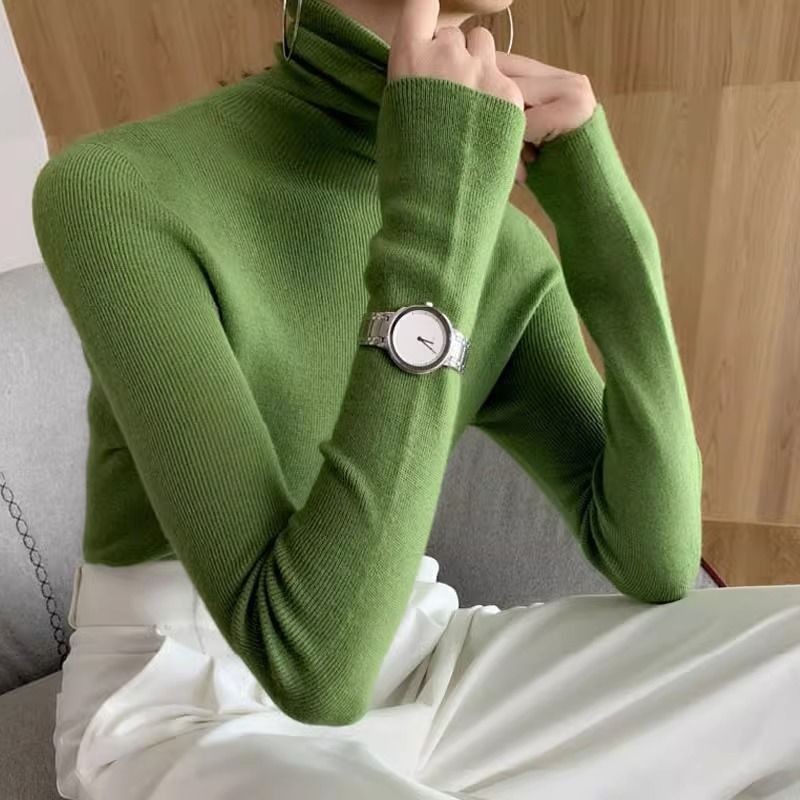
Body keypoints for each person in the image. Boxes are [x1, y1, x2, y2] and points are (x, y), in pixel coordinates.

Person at [31, 0, 800, 796]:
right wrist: (437, 221)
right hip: (186, 702)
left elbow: (656, 558)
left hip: (421, 658)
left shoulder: (494, 241)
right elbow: (312, 664)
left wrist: (603, 220)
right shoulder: (116, 190)